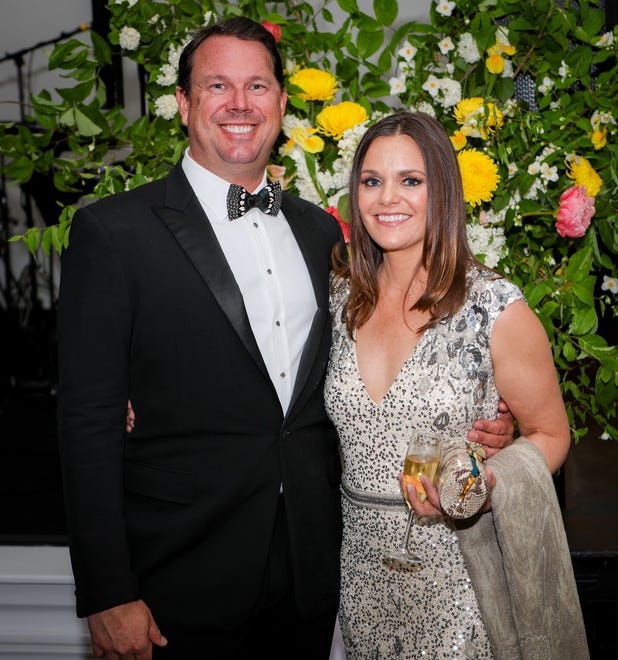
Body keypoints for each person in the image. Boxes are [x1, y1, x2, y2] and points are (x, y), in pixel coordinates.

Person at [57, 19, 514, 660]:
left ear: (280, 104)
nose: (239, 104)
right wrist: (107, 592)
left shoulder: (320, 234)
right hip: (175, 579)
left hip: (311, 574)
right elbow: (85, 422)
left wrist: (489, 421)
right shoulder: (113, 233)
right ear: (185, 104)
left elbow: (378, 364)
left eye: (257, 86)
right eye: (217, 85)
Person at [325, 111, 589, 658]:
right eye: (372, 181)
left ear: (442, 190)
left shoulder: (494, 308)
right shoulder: (338, 298)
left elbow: (551, 435)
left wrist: (484, 485)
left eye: (411, 180)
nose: (386, 198)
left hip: (462, 574)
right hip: (358, 576)